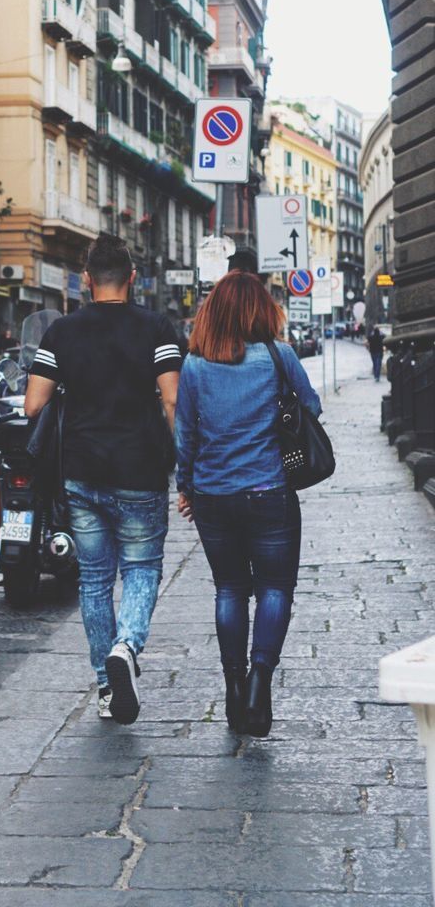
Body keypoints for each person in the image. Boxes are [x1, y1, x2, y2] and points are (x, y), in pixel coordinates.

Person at [24, 233, 181, 725]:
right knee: (141, 568)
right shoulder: (158, 327)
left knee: (94, 581)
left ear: (86, 279)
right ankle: (126, 650)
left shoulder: (61, 333)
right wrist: (187, 466)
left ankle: (105, 687)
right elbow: (174, 401)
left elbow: (33, 404)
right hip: (141, 468)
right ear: (132, 278)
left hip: (83, 471)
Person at [175, 271, 322, 738]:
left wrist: (186, 486)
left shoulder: (195, 366)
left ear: (212, 312)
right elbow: (312, 408)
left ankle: (234, 687)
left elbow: (186, 436)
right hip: (270, 491)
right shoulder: (279, 357)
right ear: (263, 309)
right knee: (275, 589)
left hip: (213, 495)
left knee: (229, 590)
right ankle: (261, 681)